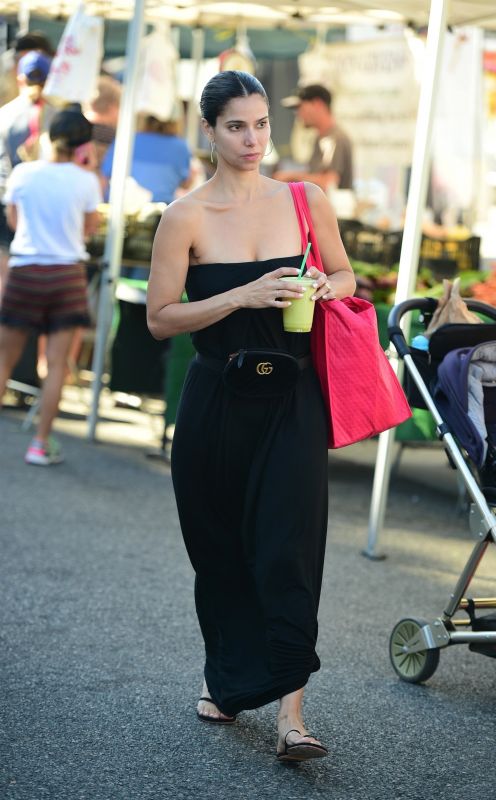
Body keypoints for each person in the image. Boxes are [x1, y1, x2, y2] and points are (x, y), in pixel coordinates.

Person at [147, 71, 355, 761]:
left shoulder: (306, 199)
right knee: (223, 553)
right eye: (237, 125)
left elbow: (348, 277)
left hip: (292, 401)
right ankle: (228, 678)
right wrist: (240, 296)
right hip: (216, 402)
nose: (252, 139)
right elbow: (159, 319)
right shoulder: (185, 215)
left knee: (288, 550)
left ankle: (291, 716)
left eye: (261, 124)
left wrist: (327, 286)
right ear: (208, 130)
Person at [0, 106, 101, 465]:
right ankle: (40, 444)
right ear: (82, 145)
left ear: (48, 135)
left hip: (25, 270)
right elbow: (90, 228)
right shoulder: (86, 180)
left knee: (3, 360)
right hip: (66, 274)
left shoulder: (24, 173)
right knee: (57, 364)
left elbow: (13, 221)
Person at [0, 50, 55, 298]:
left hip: (7, 200)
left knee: (6, 274)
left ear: (20, 78)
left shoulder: (4, 114)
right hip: (45, 204)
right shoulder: (57, 116)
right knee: (40, 276)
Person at [273, 83, 354, 192]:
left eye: (300, 107)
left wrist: (291, 176)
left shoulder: (335, 139)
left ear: (317, 104)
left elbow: (328, 183)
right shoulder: (320, 138)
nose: (298, 114)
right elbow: (316, 175)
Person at [101, 113, 191, 204]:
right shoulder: (181, 147)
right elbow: (185, 183)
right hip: (162, 207)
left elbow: (105, 176)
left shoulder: (127, 139)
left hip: (121, 204)